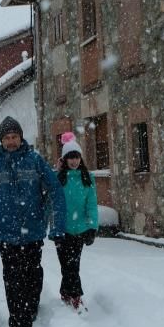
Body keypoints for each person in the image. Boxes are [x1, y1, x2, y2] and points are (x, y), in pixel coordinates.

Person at [0, 116, 66, 327]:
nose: (11, 141)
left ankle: (31, 306)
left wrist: (57, 226)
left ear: (21, 137)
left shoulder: (35, 161)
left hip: (33, 231)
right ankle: (18, 321)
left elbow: (55, 193)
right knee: (12, 277)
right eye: (7, 138)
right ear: (1, 141)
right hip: (5, 234)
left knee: (33, 273)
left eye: (14, 136)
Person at [54, 132, 98, 312]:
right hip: (61, 229)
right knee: (66, 265)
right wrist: (55, 171)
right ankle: (68, 292)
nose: (74, 161)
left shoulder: (88, 178)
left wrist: (92, 227)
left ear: (80, 158)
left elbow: (92, 204)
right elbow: (47, 195)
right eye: (70, 158)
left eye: (76, 157)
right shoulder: (59, 178)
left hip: (79, 229)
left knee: (73, 264)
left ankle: (74, 296)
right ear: (64, 160)